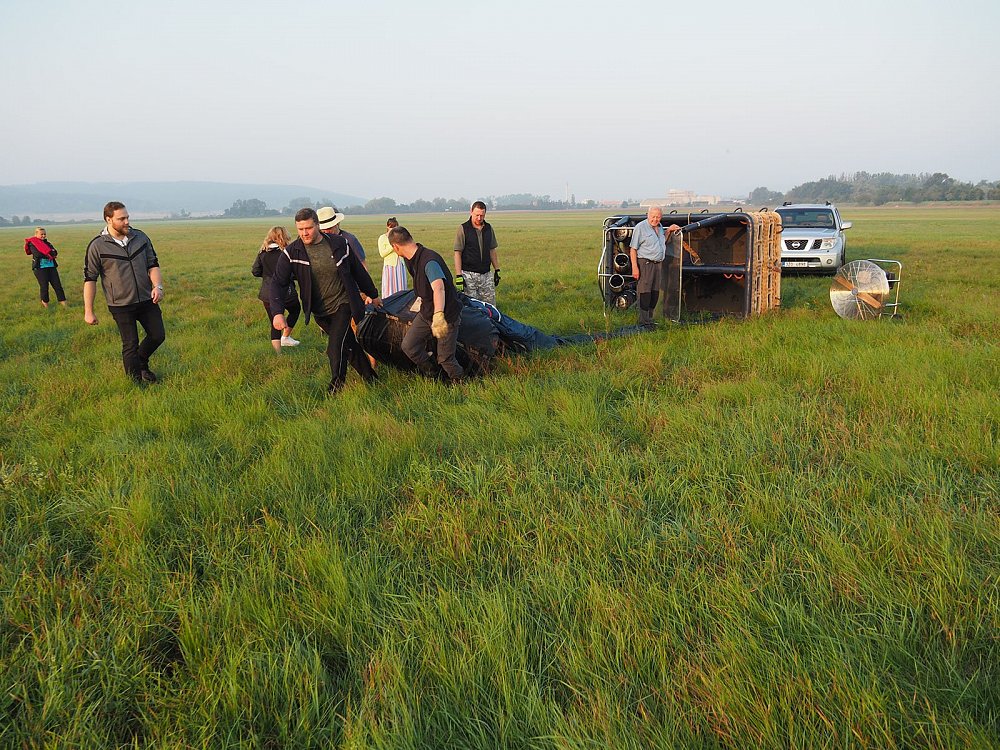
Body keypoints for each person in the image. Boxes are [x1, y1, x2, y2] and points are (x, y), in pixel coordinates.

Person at [270, 208, 381, 395]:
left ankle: (336, 387)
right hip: (320, 311)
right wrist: (277, 313)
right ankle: (371, 378)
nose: (304, 233)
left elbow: (358, 271)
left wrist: (373, 294)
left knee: (335, 347)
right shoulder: (292, 252)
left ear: (317, 225)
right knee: (348, 344)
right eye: (300, 229)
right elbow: (278, 283)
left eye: (308, 228)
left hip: (344, 303)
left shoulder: (339, 244)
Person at [83, 202, 165, 384]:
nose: (127, 221)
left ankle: (141, 363)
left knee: (158, 335)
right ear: (108, 219)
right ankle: (135, 385)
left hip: (147, 299)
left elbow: (153, 264)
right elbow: (90, 279)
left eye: (127, 217)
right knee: (130, 345)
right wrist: (89, 311)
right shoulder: (97, 246)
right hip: (120, 304)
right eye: (121, 219)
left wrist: (157, 286)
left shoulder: (140, 237)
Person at [388, 225, 464, 383]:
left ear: (395, 247)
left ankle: (461, 383)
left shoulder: (429, 260)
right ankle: (434, 374)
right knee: (409, 346)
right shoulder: (410, 260)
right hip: (426, 312)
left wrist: (439, 315)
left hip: (446, 314)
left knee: (445, 358)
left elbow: (439, 288)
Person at [628, 205, 681, 328]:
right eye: (653, 216)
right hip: (645, 263)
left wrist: (669, 231)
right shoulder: (640, 227)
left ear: (661, 217)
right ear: (648, 215)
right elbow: (633, 249)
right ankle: (643, 322)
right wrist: (635, 267)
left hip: (658, 264)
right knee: (645, 292)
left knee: (655, 292)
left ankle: (650, 319)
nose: (655, 219)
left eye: (658, 217)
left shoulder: (660, 227)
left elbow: (662, 242)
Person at [252, 226, 301, 353]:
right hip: (286, 292)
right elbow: (294, 273)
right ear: (285, 237)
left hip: (267, 293)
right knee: (295, 310)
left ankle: (278, 355)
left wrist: (267, 276)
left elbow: (255, 271)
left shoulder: (262, 252)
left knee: (274, 322)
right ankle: (286, 337)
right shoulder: (286, 252)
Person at [453, 200, 500, 304]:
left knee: (490, 306)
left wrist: (497, 269)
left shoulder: (488, 228)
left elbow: (492, 249)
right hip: (469, 275)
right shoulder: (463, 229)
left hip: (486, 274)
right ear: (471, 212)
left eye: (482, 215)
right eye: (477, 215)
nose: (479, 218)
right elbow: (457, 253)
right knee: (471, 306)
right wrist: (459, 275)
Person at [24, 227, 67, 307]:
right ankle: (45, 303)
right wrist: (49, 254)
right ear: (36, 234)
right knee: (44, 287)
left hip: (51, 267)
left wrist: (50, 253)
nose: (43, 236)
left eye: (44, 234)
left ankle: (63, 302)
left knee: (57, 285)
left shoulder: (48, 243)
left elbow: (55, 252)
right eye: (41, 234)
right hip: (40, 268)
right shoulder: (32, 244)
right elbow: (38, 254)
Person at [376, 217, 408, 297]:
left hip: (400, 265)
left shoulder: (399, 237)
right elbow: (382, 253)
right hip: (390, 266)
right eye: (391, 227)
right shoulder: (382, 238)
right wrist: (392, 245)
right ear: (387, 227)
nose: (393, 229)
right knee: (390, 288)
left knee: (401, 287)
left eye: (395, 227)